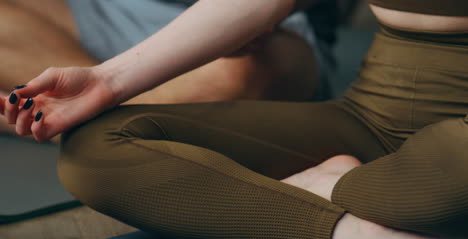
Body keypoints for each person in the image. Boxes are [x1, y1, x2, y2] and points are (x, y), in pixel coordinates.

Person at [2, 0, 468, 239]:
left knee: (444, 184)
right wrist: (106, 81)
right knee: (95, 147)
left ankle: (332, 188)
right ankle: (361, 236)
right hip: (371, 115)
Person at [0, 0, 336, 138]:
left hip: (246, 19)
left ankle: (75, 119)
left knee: (247, 76)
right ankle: (90, 117)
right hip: (109, 10)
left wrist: (107, 81)